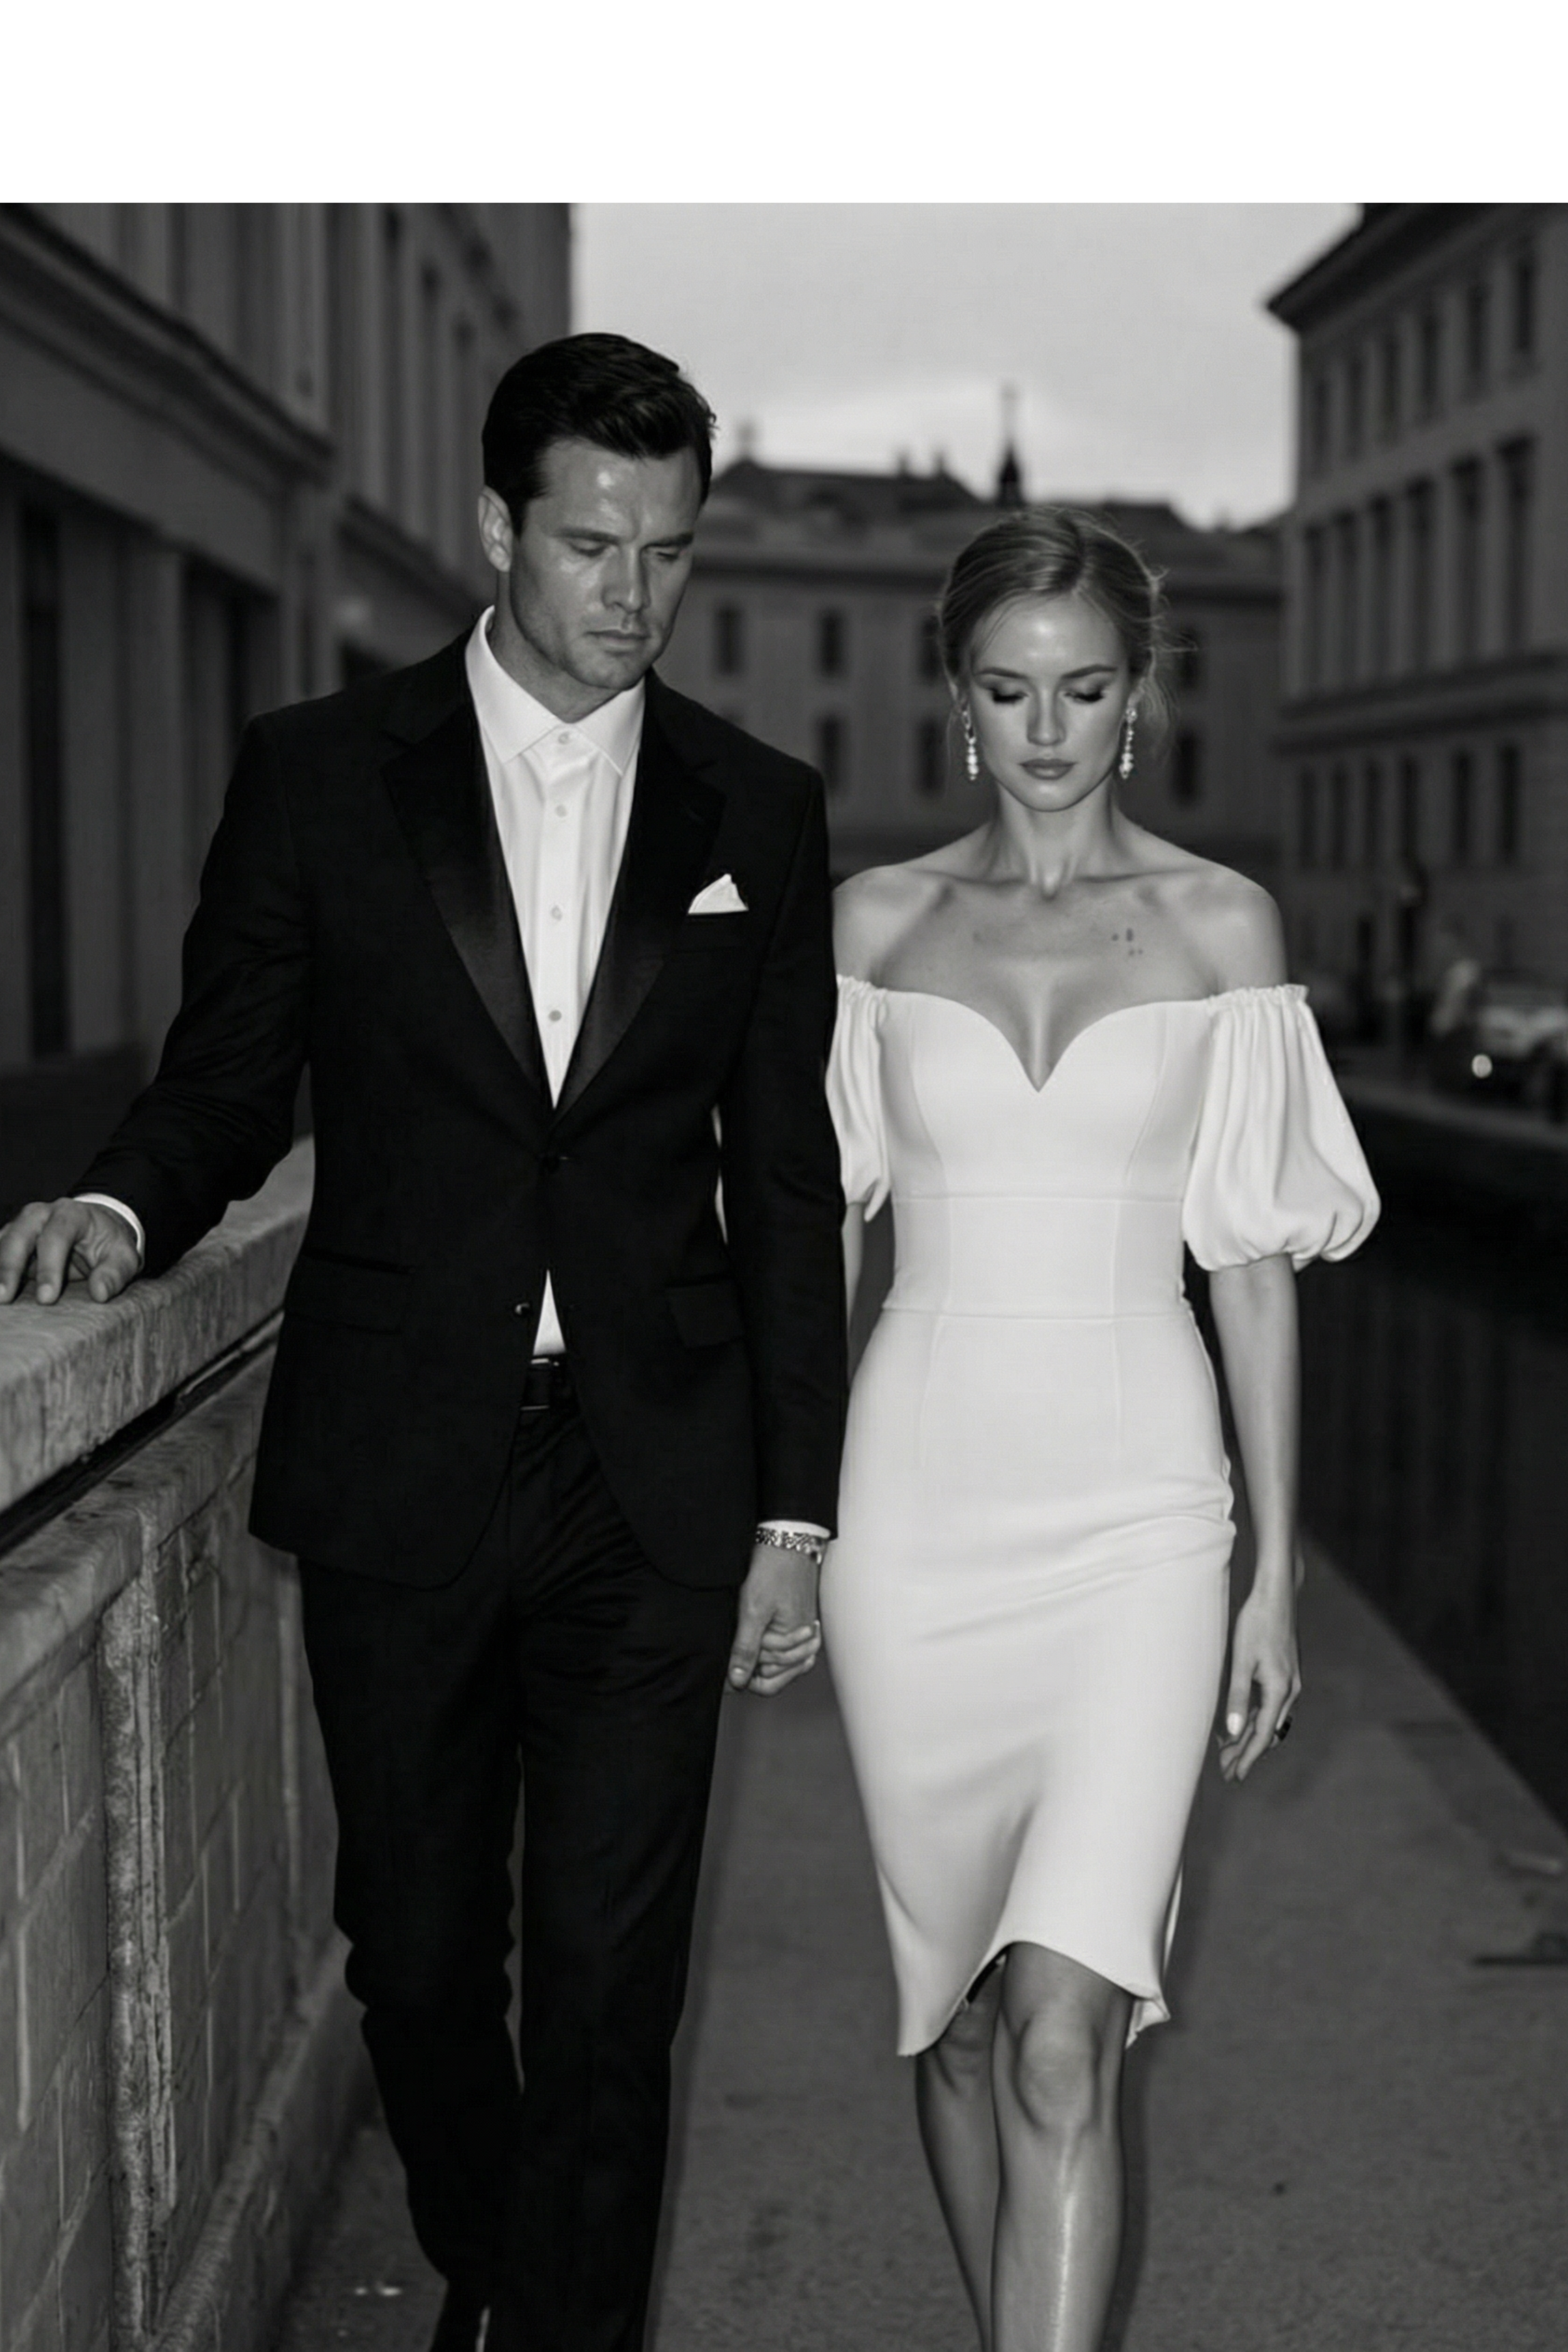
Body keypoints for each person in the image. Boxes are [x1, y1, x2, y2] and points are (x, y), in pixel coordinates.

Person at [0, 334, 847, 2352]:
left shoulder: (756, 804)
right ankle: (500, 2261)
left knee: (613, 1988)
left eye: (668, 550)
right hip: (403, 1455)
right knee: (418, 1954)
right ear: (494, 527)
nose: (633, 593)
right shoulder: (322, 772)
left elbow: (784, 1179)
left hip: (650, 1475)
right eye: (590, 544)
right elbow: (229, 1076)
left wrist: (796, 1512)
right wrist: (118, 1206)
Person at [824, 506, 1379, 2352]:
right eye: (1009, 690)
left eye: (1082, 690)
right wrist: (785, 1523)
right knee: (960, 2021)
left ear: (1139, 697)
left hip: (1141, 1521)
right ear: (958, 698)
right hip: (915, 1518)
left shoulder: (1224, 925)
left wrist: (1270, 1577)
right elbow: (819, 1257)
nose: (1046, 729)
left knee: (1066, 2033)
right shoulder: (874, 925)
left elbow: (1254, 1271)